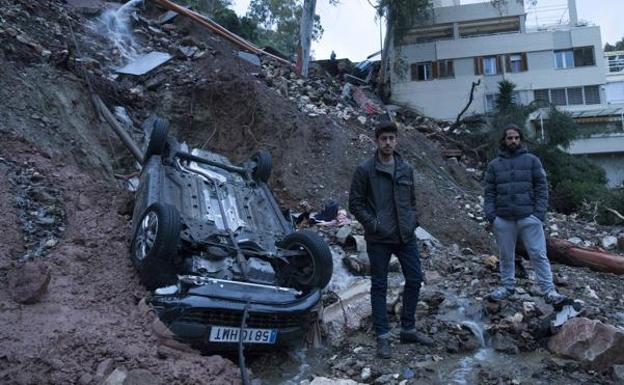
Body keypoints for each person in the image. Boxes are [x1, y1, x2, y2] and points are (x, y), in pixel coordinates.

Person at [349, 121, 433, 359]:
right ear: (376, 141)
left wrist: (412, 220)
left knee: (415, 279)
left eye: (391, 138)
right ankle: (383, 336)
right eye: (383, 138)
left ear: (397, 140)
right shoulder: (365, 170)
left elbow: (412, 200)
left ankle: (408, 329)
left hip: (405, 235)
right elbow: (355, 203)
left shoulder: (405, 169)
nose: (388, 142)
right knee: (379, 285)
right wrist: (373, 224)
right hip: (379, 238)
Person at [484, 124, 566, 304]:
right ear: (504, 141)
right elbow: (489, 192)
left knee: (538, 254)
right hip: (503, 218)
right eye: (509, 138)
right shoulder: (494, 165)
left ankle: (549, 290)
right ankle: (507, 286)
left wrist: (538, 214)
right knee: (506, 255)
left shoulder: (532, 161)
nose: (513, 141)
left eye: (516, 138)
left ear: (520, 139)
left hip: (529, 216)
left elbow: (541, 188)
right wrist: (491, 216)